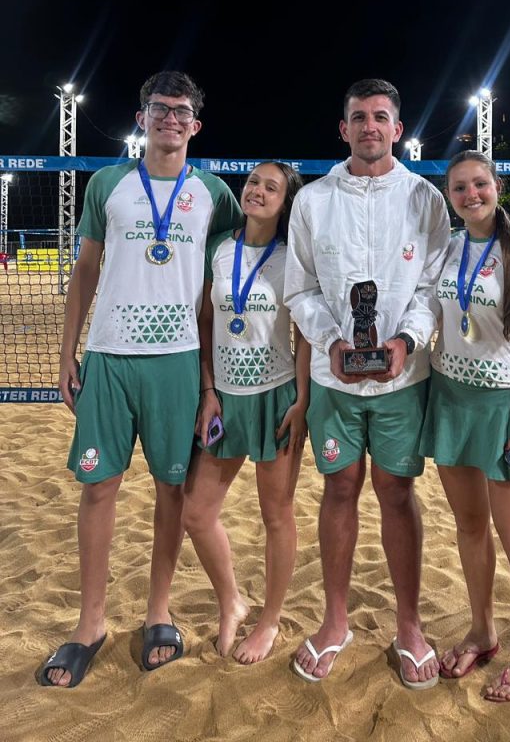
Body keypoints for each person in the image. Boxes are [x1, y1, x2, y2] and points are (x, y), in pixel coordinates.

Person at [40, 71, 242, 688]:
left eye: (181, 110)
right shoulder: (108, 183)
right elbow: (85, 270)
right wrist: (68, 352)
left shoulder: (214, 193)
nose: (170, 118)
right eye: (160, 108)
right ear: (142, 117)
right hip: (108, 355)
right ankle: (90, 624)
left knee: (170, 490)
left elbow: (224, 283)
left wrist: (211, 381)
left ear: (195, 125)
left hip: (178, 360)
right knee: (99, 486)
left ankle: (159, 612)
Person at [284, 77, 450, 688]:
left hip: (404, 379)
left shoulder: (426, 199)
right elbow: (300, 288)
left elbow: (433, 288)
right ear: (343, 128)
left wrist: (406, 341)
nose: (370, 126)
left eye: (381, 117)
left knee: (397, 493)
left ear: (397, 129)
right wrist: (332, 341)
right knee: (340, 488)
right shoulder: (313, 200)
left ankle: (409, 625)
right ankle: (335, 622)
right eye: (359, 117)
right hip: (334, 378)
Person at [419, 150, 510, 701]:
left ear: (497, 186)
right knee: (470, 527)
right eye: (459, 187)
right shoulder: (447, 248)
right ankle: (483, 630)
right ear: (449, 196)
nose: (470, 194)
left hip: (507, 406)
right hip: (450, 398)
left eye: (479, 183)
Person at [181, 161, 310, 664]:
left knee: (276, 515)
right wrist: (207, 389)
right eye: (254, 181)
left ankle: (270, 619)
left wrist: (302, 400)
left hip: (277, 397)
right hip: (224, 398)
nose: (257, 190)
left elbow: (304, 335)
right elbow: (205, 321)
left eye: (270, 187)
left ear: (284, 202)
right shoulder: (219, 248)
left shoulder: (293, 256)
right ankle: (231, 600)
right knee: (196, 513)